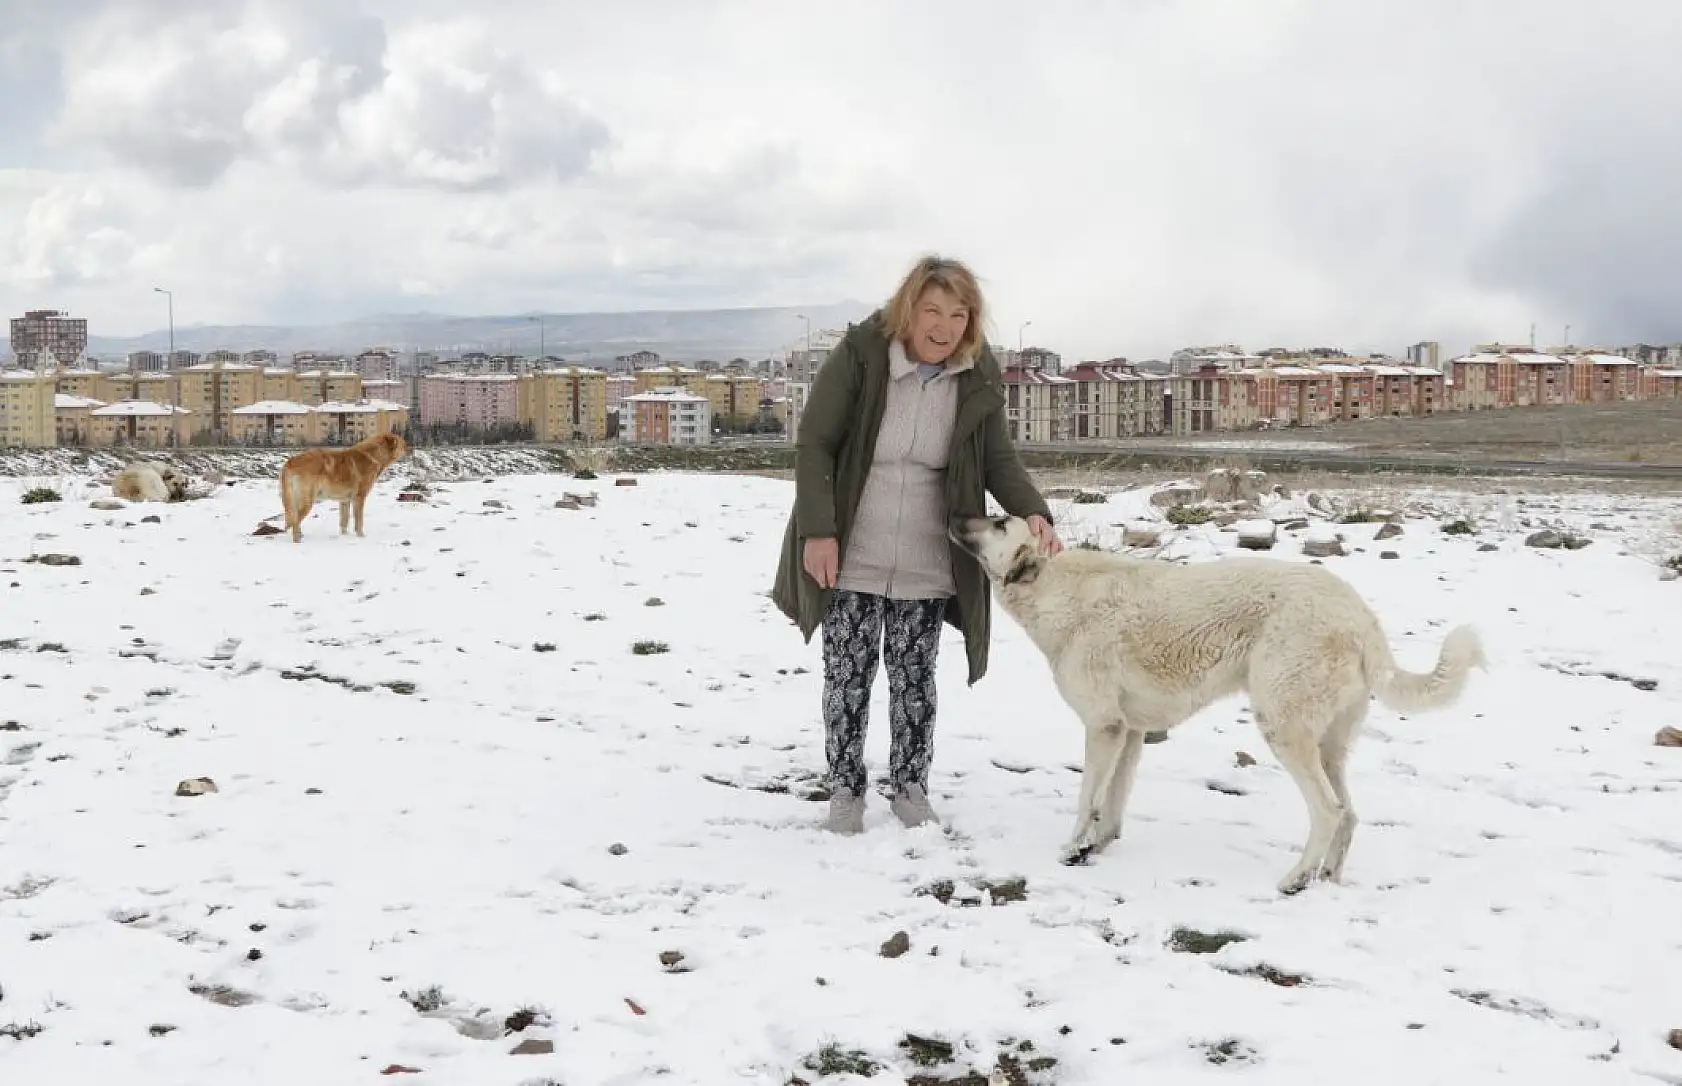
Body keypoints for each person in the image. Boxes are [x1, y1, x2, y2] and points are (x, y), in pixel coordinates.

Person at [770, 254, 1064, 835]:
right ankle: (846, 791)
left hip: (928, 557)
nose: (944, 325)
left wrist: (1033, 510)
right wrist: (818, 531)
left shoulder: (976, 376)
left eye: (959, 314)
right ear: (909, 309)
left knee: (913, 678)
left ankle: (910, 787)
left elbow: (997, 460)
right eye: (932, 309)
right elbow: (816, 445)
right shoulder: (862, 355)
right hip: (852, 548)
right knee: (847, 675)